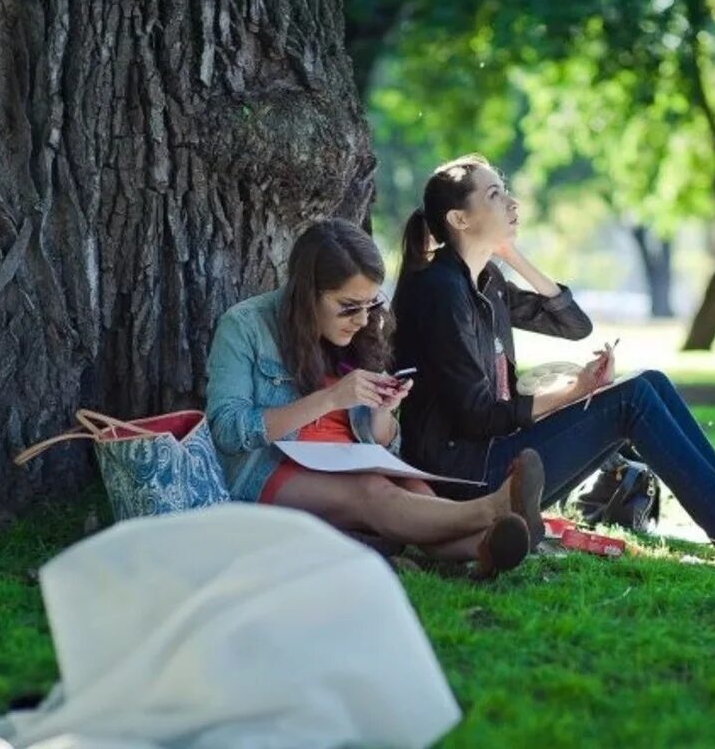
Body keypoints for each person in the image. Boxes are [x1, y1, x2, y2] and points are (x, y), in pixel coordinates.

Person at [391, 154, 715, 555]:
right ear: (460, 219)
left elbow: (574, 325)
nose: (512, 203)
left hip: (495, 455)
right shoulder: (441, 291)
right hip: (467, 479)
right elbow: (478, 417)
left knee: (651, 382)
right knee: (632, 398)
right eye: (494, 195)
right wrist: (575, 391)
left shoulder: (486, 284)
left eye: (506, 191)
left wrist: (515, 257)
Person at [205, 219, 545, 575]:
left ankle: (485, 549)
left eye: (369, 305)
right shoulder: (245, 326)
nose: (361, 319)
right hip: (270, 468)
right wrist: (329, 399)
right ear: (308, 293)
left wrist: (384, 412)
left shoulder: (361, 332)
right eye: (349, 306)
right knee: (372, 492)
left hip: (349, 461)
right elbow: (227, 431)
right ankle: (494, 509)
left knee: (413, 489)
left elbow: (381, 441)